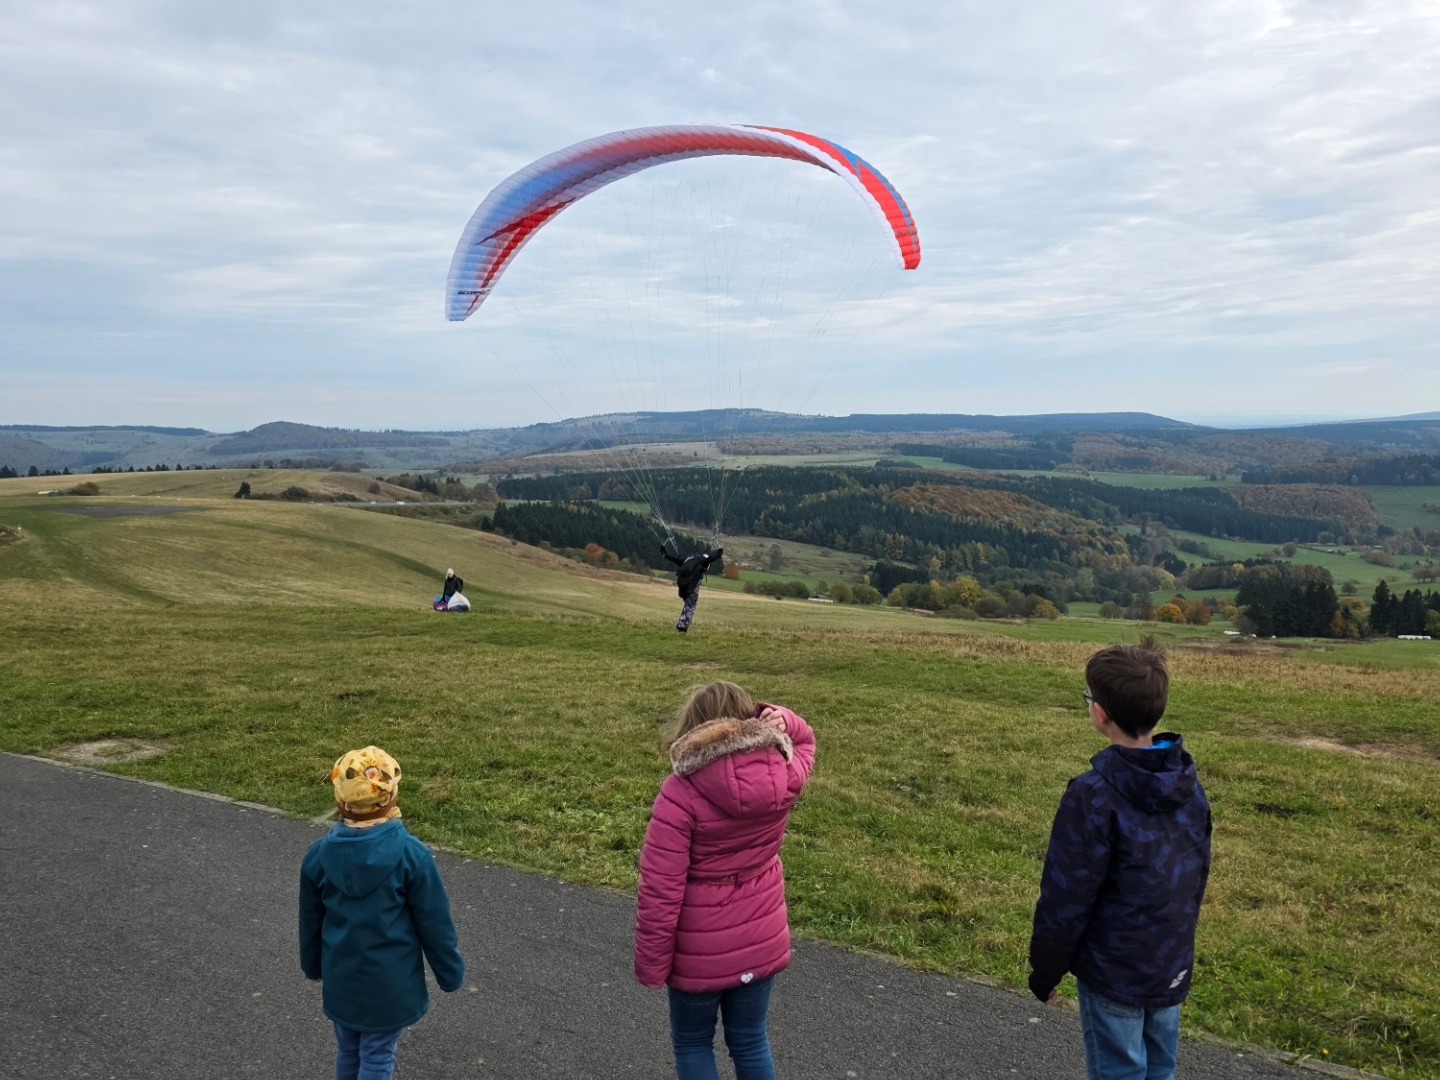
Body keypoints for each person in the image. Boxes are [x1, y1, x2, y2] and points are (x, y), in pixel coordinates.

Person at [1028, 640, 1212, 1080]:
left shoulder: (1092, 795)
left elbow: (1066, 895)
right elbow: (1194, 877)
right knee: (1159, 1069)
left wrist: (1045, 970)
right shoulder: (1188, 785)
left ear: (1100, 712)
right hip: (1169, 962)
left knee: (1120, 1072)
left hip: (1113, 971)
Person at [635, 681, 817, 1080]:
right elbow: (806, 741)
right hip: (761, 937)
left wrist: (652, 962)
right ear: (747, 719)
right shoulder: (784, 776)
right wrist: (784, 718)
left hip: (699, 948)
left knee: (693, 1043)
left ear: (693, 726)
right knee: (751, 1039)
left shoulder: (679, 793)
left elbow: (660, 890)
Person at [300, 746, 466, 1080]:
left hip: (342, 979)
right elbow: (435, 923)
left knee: (349, 1049)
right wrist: (450, 973)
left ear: (340, 799)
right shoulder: (411, 857)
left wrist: (312, 965)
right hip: (390, 985)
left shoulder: (318, 857)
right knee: (378, 1056)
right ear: (390, 798)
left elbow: (310, 921)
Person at [661, 546, 723, 633]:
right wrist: (718, 554)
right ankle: (682, 627)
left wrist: (666, 555)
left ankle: (686, 621)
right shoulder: (703, 562)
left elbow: (676, 560)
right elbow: (711, 559)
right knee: (690, 607)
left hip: (682, 586)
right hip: (691, 587)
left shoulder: (690, 560)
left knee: (688, 605)